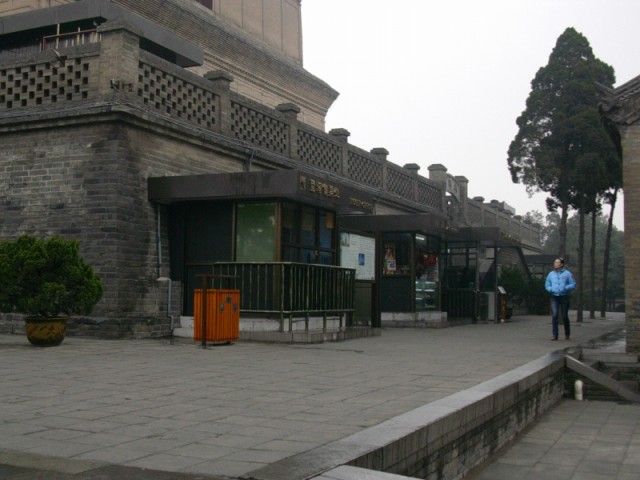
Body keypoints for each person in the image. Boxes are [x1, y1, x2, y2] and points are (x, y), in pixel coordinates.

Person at [544, 258, 576, 341]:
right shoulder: (551, 274)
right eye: (554, 262)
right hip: (554, 297)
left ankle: (567, 334)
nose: (555, 263)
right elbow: (547, 284)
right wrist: (550, 289)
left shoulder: (567, 274)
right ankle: (555, 335)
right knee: (555, 315)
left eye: (557, 262)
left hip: (564, 297)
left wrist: (566, 288)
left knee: (565, 316)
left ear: (561, 264)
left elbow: (573, 284)